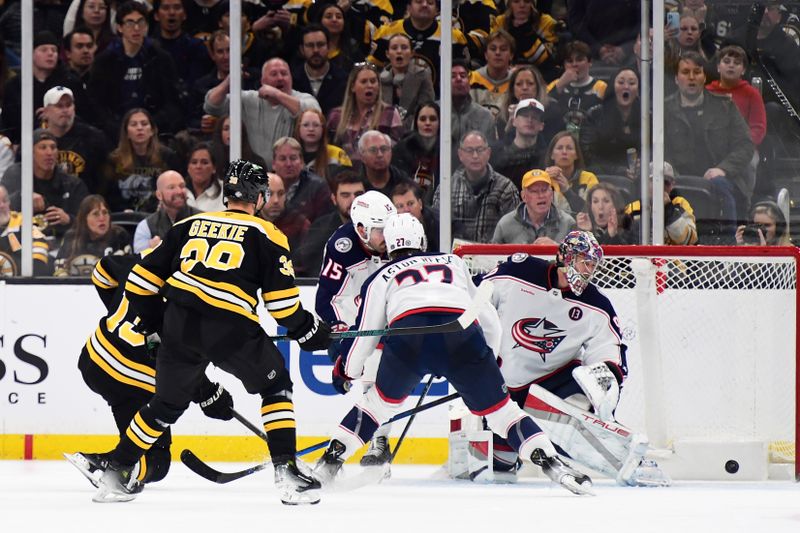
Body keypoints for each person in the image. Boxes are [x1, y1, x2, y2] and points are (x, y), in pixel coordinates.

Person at [89, 159, 332, 504]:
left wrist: (150, 323)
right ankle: (288, 475)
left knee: (164, 406)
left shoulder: (188, 224)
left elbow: (141, 279)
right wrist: (309, 331)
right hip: (229, 327)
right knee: (276, 387)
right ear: (260, 197)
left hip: (179, 325)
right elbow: (282, 307)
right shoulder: (268, 234)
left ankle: (116, 473)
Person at [313, 214, 593, 496]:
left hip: (410, 339)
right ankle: (552, 463)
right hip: (462, 336)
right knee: (503, 413)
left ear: (389, 244)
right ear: (421, 240)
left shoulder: (379, 277)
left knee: (375, 406)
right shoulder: (453, 262)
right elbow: (488, 318)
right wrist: (489, 359)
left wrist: (346, 370)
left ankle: (328, 463)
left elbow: (365, 335)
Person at [472, 230, 668, 487]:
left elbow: (609, 352)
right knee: (496, 471)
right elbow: (477, 296)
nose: (588, 270)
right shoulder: (519, 271)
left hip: (554, 384)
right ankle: (508, 453)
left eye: (593, 265)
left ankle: (626, 455)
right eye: (584, 262)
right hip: (504, 388)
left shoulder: (597, 305)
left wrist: (604, 388)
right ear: (566, 256)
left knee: (580, 396)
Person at [64, 252, 236, 493]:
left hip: (95, 360)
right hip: (136, 381)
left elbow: (102, 272)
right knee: (158, 460)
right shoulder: (203, 295)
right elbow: (179, 360)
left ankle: (109, 463)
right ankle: (109, 466)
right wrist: (209, 394)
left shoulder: (148, 260)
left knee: (134, 442)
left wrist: (119, 311)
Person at [315, 189, 398, 467]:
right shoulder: (343, 245)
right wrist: (342, 337)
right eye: (379, 230)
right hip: (354, 322)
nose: (388, 236)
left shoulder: (401, 240)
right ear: (361, 228)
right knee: (364, 370)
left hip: (391, 320)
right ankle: (377, 438)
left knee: (377, 374)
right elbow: (325, 298)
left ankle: (379, 439)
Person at [664, 51, 754, 234]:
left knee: (721, 186)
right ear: (676, 78)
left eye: (697, 72)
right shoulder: (663, 109)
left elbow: (745, 145)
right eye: (685, 72)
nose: (691, 77)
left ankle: (728, 244)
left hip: (720, 179)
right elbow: (657, 149)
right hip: (676, 180)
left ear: (704, 77)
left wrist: (723, 169)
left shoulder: (724, 106)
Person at [88, 2, 183, 140]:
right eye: (130, 23)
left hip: (154, 130)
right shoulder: (105, 61)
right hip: (115, 131)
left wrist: (149, 125)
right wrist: (118, 128)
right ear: (119, 28)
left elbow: (173, 101)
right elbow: (96, 104)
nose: (136, 28)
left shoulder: (160, 57)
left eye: (141, 22)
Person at [204, 57, 321, 167]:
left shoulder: (303, 98)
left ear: (291, 78)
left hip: (290, 170)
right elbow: (211, 105)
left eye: (284, 73)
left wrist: (277, 94)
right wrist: (229, 81)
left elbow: (314, 114)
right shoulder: (248, 99)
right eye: (274, 74)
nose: (280, 78)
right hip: (252, 173)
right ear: (263, 81)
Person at [1, 129, 89, 243]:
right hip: (20, 246)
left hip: (63, 246)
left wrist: (69, 220)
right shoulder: (15, 175)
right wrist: (23, 198)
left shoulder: (72, 184)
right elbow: (2, 210)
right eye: (43, 148)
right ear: (30, 152)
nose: (49, 153)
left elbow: (89, 221)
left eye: (53, 147)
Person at [2, 30, 89, 144]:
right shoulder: (14, 86)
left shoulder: (71, 82)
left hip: (67, 143)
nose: (50, 53)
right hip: (22, 144)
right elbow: (8, 123)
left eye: (54, 50)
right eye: (44, 50)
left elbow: (86, 115)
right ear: (31, 54)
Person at [367, 0, 470, 94]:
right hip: (392, 103)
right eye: (419, 1)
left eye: (430, 2)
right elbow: (373, 69)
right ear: (408, 8)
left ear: (437, 10)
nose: (424, 5)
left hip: (439, 104)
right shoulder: (386, 32)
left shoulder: (454, 37)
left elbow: (462, 74)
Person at [706, 44, 767, 199]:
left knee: (750, 163)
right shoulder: (707, 92)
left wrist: (741, 146)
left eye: (737, 63)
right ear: (718, 67)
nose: (731, 65)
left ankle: (745, 202)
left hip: (743, 148)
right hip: (711, 147)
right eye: (726, 61)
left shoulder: (752, 94)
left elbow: (758, 128)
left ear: (744, 70)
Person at [436, 130, 518, 244]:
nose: (475, 156)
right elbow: (436, 228)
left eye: (480, 150)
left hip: (493, 257)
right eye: (469, 151)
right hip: (454, 257)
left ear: (488, 153)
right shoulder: (446, 189)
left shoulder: (506, 188)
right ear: (460, 155)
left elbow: (514, 233)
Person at [99, 108, 181, 212]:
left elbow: (177, 190)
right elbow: (105, 194)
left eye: (144, 124)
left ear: (152, 130)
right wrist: (122, 210)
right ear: (127, 133)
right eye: (134, 124)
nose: (139, 128)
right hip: (123, 216)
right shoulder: (114, 160)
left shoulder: (167, 156)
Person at [327, 62, 405, 168]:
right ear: (352, 87)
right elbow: (329, 153)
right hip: (344, 179)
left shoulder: (390, 113)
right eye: (364, 82)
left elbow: (396, 154)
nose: (369, 85)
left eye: (373, 81)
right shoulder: (336, 116)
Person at [294, 171, 367, 276]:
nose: (353, 200)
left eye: (358, 194)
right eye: (345, 195)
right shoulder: (321, 228)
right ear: (334, 199)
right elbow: (306, 263)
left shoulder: (379, 225)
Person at [41, 85, 110, 194]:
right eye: (59, 106)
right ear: (45, 112)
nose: (65, 110)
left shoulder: (93, 138)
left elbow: (103, 181)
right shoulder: (34, 141)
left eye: (69, 105)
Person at [582, 67, 642, 173]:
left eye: (632, 83)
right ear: (612, 86)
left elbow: (654, 150)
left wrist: (644, 164)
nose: (626, 87)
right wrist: (617, 171)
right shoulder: (595, 115)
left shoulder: (647, 117)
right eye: (621, 82)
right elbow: (587, 156)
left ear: (638, 89)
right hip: (603, 176)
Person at [54, 194, 132, 276]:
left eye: (105, 213)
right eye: (96, 214)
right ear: (84, 219)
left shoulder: (119, 235)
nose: (102, 218)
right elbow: (59, 269)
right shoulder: (72, 237)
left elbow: (128, 270)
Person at [492, 168, 575, 245]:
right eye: (534, 191)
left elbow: (579, 258)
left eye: (544, 190)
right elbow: (491, 259)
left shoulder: (568, 223)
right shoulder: (505, 224)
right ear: (523, 196)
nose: (541, 195)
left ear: (551, 194)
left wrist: (556, 248)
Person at [624, 162, 698, 246]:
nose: (660, 186)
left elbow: (689, 241)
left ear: (672, 185)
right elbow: (624, 242)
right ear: (645, 184)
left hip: (672, 258)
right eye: (656, 181)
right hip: (643, 258)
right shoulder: (633, 208)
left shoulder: (680, 204)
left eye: (666, 182)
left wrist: (668, 210)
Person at [546, 40, 608, 135]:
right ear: (564, 65)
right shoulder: (555, 85)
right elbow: (542, 112)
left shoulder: (601, 87)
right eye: (570, 61)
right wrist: (560, 86)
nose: (574, 64)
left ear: (589, 62)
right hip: (559, 140)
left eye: (579, 60)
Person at [132, 170, 201, 253]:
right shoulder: (146, 226)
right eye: (171, 187)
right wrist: (150, 248)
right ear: (159, 195)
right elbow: (138, 256)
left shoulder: (203, 219)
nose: (179, 191)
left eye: (182, 186)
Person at [489, 97, 549, 190]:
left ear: (541, 126)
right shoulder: (495, 153)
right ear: (513, 121)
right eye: (525, 115)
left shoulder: (547, 158)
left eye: (535, 117)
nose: (530, 120)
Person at [271, 137, 333, 225]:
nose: (288, 164)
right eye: (282, 159)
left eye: (293, 158)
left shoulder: (318, 188)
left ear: (302, 162)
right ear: (273, 164)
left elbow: (324, 225)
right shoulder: (264, 186)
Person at [491, 0, 560, 79]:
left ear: (532, 4)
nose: (522, 5)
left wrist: (527, 36)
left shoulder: (546, 22)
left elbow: (552, 59)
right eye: (516, 1)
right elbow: (492, 52)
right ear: (509, 5)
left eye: (527, 1)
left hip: (539, 73)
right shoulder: (500, 21)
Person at [291, 23, 349, 118]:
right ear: (302, 49)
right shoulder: (292, 80)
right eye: (310, 45)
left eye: (320, 44)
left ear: (329, 47)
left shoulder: (344, 80)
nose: (316, 50)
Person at [379, 33, 435, 129]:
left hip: (413, 133)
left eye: (404, 48)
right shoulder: (380, 79)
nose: (399, 51)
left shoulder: (422, 76)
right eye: (394, 48)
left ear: (412, 53)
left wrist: (399, 129)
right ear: (387, 54)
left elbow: (425, 110)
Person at [448, 59, 497, 167]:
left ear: (469, 80)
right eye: (453, 76)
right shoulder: (434, 112)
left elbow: (492, 157)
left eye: (463, 75)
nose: (458, 79)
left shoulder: (486, 116)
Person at [391, 102, 440, 204]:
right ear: (416, 123)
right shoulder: (401, 149)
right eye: (422, 119)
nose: (427, 123)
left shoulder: (448, 150)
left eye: (432, 119)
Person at [0, 184, 51, 276]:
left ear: (9, 202)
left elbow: (39, 267)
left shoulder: (27, 224)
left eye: (4, 200)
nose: (1, 206)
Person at [293, 108, 353, 187]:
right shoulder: (291, 154)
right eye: (306, 125)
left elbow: (350, 183)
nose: (311, 129)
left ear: (323, 129)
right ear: (298, 129)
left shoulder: (338, 153)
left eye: (316, 125)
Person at [544, 130, 599, 215]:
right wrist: (544, 181)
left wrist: (567, 190)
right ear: (552, 155)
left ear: (576, 155)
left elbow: (592, 213)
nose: (564, 152)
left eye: (569, 148)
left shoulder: (589, 179)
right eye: (559, 148)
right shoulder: (542, 179)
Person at [258, 172, 309, 259]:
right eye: (269, 194)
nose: (276, 200)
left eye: (281, 194)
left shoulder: (299, 223)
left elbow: (305, 262)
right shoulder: (250, 223)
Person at [468, 29, 515, 117]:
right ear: (486, 54)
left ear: (511, 55)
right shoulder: (471, 79)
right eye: (493, 49)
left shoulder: (516, 83)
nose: (497, 53)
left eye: (503, 49)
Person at [357, 131, 412, 197]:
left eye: (384, 149)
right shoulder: (355, 185)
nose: (380, 155)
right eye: (373, 150)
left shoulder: (405, 183)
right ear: (362, 156)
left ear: (391, 153)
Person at [391, 180, 439, 253]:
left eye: (410, 204)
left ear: (420, 204)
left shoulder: (439, 224)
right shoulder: (389, 229)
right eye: (400, 206)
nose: (406, 210)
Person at [184, 142, 225, 213]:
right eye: (194, 162)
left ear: (214, 168)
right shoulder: (178, 192)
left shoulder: (226, 193)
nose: (198, 166)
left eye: (204, 162)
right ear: (188, 168)